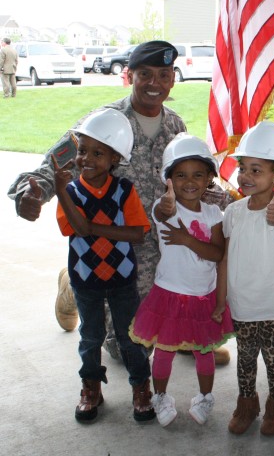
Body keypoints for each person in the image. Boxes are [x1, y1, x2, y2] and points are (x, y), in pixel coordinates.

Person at [6, 40, 233, 366]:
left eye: (164, 75)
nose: (155, 84)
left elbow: (197, 182)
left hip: (168, 240)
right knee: (128, 350)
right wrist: (32, 195)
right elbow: (54, 165)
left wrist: (235, 200)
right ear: (130, 75)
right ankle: (73, 284)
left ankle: (180, 335)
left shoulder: (175, 126)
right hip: (115, 244)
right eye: (145, 74)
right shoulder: (103, 122)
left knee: (198, 272)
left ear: (173, 78)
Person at [53, 108, 155, 423]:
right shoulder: (70, 192)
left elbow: (137, 234)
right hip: (86, 280)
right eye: (83, 150)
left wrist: (94, 227)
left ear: (114, 159)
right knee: (90, 336)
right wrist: (60, 190)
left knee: (130, 337)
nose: (87, 159)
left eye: (98, 153)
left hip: (122, 279)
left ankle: (141, 388)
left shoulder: (124, 191)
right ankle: (91, 388)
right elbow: (74, 228)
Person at [129, 133, 234, 427]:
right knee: (163, 352)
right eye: (181, 175)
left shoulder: (214, 213)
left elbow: (216, 253)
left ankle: (205, 396)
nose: (190, 181)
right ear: (169, 180)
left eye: (198, 174)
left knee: (205, 352)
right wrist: (167, 203)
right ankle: (160, 395)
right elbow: (164, 212)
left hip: (203, 296)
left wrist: (187, 239)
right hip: (170, 295)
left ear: (210, 178)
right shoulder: (165, 208)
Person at [217, 121, 274, 436]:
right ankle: (247, 404)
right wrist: (221, 299)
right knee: (245, 357)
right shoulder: (234, 212)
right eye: (243, 168)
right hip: (243, 299)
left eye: (256, 170)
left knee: (273, 355)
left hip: (272, 301)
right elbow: (226, 255)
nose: (245, 176)